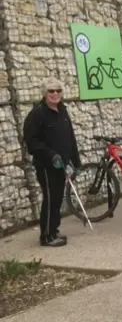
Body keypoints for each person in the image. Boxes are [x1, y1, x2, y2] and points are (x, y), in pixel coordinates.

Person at [23, 77, 82, 247]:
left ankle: (53, 230)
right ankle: (46, 236)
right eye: (51, 91)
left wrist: (75, 162)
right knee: (50, 199)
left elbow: (70, 138)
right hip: (47, 166)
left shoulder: (63, 110)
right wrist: (50, 155)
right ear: (44, 93)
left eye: (58, 90)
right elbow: (32, 142)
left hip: (62, 164)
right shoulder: (37, 114)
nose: (55, 94)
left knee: (57, 199)